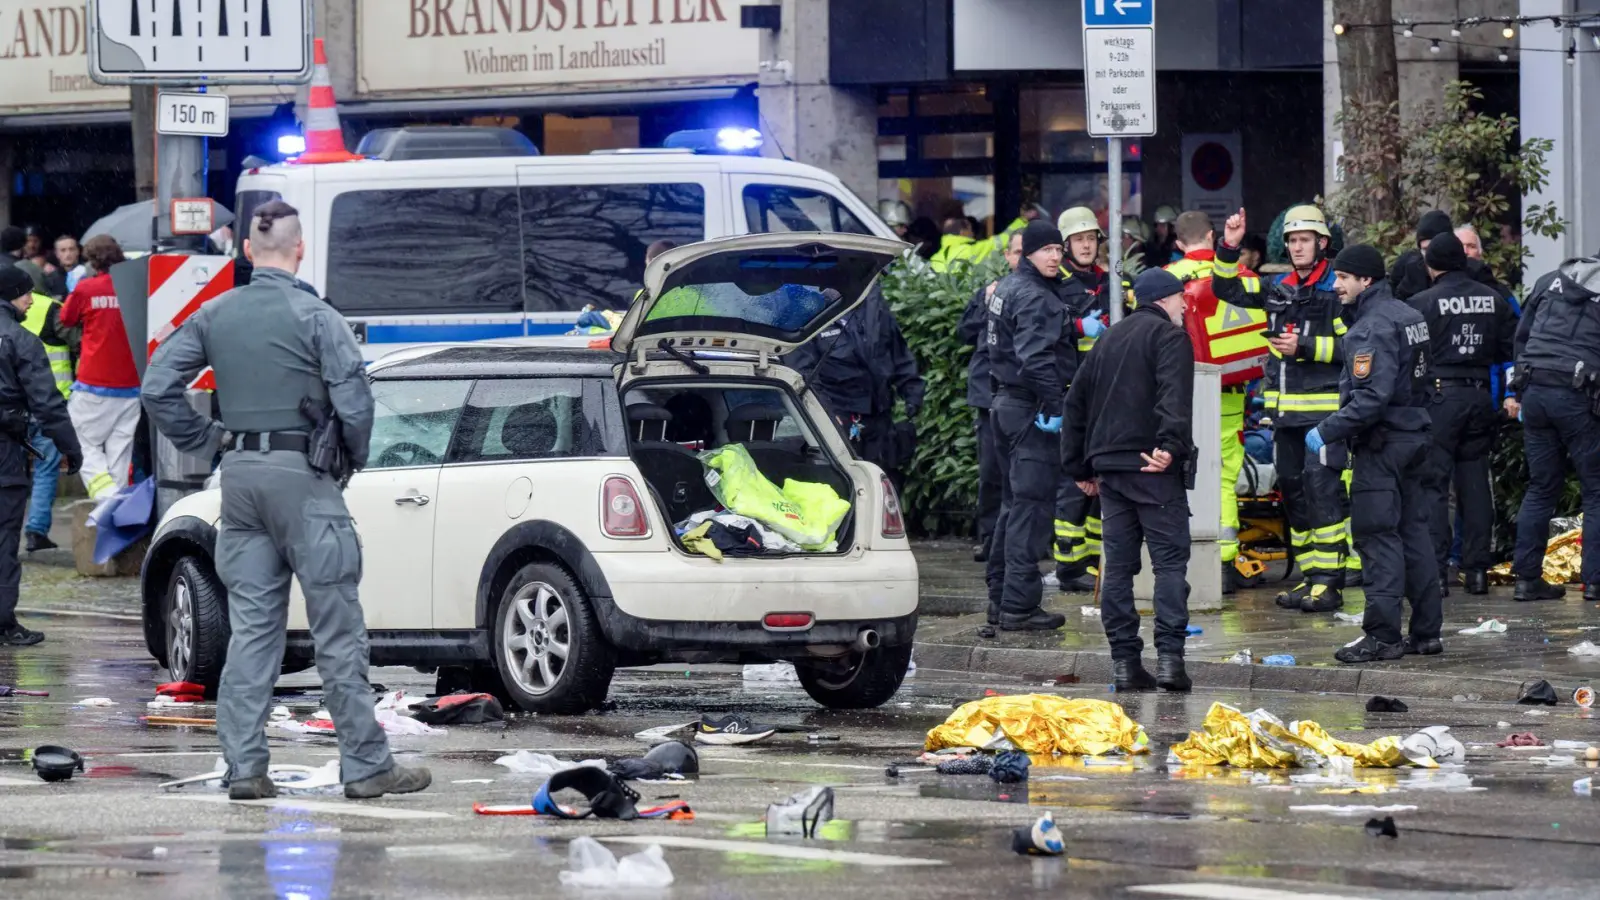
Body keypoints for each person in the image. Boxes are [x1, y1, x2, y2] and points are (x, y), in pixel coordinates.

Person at [141, 200, 431, 800]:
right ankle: (367, 766)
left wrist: (212, 442)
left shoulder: (215, 313)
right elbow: (356, 404)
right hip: (304, 480)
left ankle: (245, 769)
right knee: (337, 630)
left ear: (247, 250)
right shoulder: (317, 316)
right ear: (300, 249)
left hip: (240, 480)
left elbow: (157, 387)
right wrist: (346, 461)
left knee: (251, 632)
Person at [1212, 206, 1354, 613]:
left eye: (1304, 240)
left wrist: (1306, 348)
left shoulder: (1336, 291)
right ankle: (1310, 579)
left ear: (1322, 244)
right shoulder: (1278, 287)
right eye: (1292, 241)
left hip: (1325, 417)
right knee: (1294, 493)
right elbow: (1227, 289)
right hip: (1286, 417)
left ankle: (1330, 582)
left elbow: (1355, 349)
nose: (1297, 247)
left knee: (1323, 494)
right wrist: (1230, 246)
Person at [1062, 267, 1196, 691]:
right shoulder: (1170, 337)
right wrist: (1171, 447)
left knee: (1118, 567)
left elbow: (1075, 404)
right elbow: (1174, 395)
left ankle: (1125, 663)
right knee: (1170, 564)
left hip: (1111, 471)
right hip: (1153, 466)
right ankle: (1171, 662)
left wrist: (1079, 468)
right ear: (1164, 299)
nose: (1184, 305)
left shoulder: (1107, 339)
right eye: (1180, 298)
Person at [1307, 245, 1438, 663]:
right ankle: (1426, 633)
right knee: (1415, 533)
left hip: (1382, 444)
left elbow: (1371, 398)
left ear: (1366, 280)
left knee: (1377, 536)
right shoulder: (1409, 315)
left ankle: (1382, 636)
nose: (1336, 285)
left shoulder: (1370, 327)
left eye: (1344, 277)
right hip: (1415, 436)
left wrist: (1326, 431)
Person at [1404, 232, 1518, 597]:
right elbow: (1509, 351)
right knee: (1474, 484)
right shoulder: (1495, 300)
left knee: (1435, 486)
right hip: (1480, 395)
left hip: (1440, 398)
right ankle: (1477, 572)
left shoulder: (1421, 303)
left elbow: (1412, 359)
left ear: (1430, 265)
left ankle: (1437, 574)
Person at [1165, 211, 1269, 593]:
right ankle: (1225, 562)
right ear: (1212, 236)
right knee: (1225, 472)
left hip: (1184, 391)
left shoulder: (1167, 279)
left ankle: (1185, 558)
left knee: (1180, 472)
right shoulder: (1244, 277)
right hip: (1231, 392)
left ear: (1178, 243)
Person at [982, 220, 1076, 632]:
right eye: (1047, 250)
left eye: (1058, 249)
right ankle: (1019, 606)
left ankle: (999, 599)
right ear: (1030, 253)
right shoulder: (1037, 297)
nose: (1055, 256)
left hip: (1004, 406)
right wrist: (1056, 404)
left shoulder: (1006, 288)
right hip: (1030, 411)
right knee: (1031, 509)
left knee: (1011, 506)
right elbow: (1035, 359)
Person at [1508, 256, 1600, 604]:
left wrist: (1518, 391)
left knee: (1542, 486)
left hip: (1536, 391)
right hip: (1579, 395)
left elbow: (1522, 336)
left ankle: (1527, 580)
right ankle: (1595, 583)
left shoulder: (1550, 280)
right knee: (1596, 491)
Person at [0, 267, 83, 646]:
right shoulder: (20, 339)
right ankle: (3, 624)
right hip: (5, 457)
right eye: (24, 294)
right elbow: (48, 404)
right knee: (3, 541)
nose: (31, 301)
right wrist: (69, 447)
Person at [783, 284, 925, 492]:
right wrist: (827, 416)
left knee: (881, 490)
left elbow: (895, 349)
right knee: (843, 489)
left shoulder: (871, 299)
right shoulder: (806, 308)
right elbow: (803, 375)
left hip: (879, 419)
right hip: (837, 423)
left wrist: (912, 393)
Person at [1046, 207, 1119, 592]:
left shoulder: (1113, 285)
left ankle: (1091, 557)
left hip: (1106, 395)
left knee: (1099, 481)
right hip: (1072, 394)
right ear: (1066, 245)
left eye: (1091, 238)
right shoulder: (1056, 285)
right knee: (1074, 482)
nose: (1087, 245)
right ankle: (1069, 564)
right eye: (1079, 239)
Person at [59, 236, 141, 500]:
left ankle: (106, 496)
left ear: (92, 260)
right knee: (120, 449)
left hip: (95, 380)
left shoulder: (86, 289)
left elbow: (66, 319)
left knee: (77, 438)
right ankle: (116, 507)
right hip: (131, 382)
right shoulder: (137, 288)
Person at [959, 230, 1024, 563]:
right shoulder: (990, 292)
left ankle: (1025, 540)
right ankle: (989, 539)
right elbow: (964, 332)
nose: (1021, 258)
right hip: (988, 396)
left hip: (1025, 396)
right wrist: (985, 305)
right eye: (1016, 252)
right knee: (992, 473)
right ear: (1008, 257)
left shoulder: (1041, 293)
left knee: (1027, 473)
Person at [17, 281, 74, 553]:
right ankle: (36, 531)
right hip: (47, 403)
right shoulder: (52, 309)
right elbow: (77, 345)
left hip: (11, 405)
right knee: (46, 467)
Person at [1391, 210, 1510, 302]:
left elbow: (1502, 308)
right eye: (1425, 249)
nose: (1430, 255)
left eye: (1434, 247)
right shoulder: (1411, 269)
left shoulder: (1475, 270)